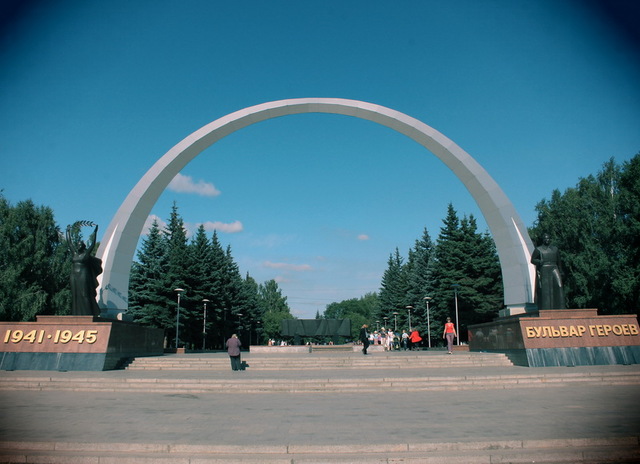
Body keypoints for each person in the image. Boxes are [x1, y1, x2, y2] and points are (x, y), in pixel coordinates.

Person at [66, 223, 102, 316]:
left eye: (79, 245)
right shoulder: (75, 254)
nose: (78, 246)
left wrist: (95, 232)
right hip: (74, 275)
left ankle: (89, 313)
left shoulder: (86, 254)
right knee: (75, 294)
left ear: (83, 246)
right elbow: (69, 243)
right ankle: (76, 313)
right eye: (77, 245)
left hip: (83, 275)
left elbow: (92, 244)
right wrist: (67, 231)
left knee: (84, 294)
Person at [530, 233, 565, 310]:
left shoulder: (555, 249)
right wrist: (539, 262)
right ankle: (545, 308)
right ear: (543, 240)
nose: (547, 240)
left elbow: (559, 261)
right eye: (545, 238)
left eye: (548, 238)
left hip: (554, 267)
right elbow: (532, 260)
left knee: (559, 285)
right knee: (545, 289)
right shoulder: (538, 249)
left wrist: (560, 270)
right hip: (544, 268)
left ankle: (560, 307)